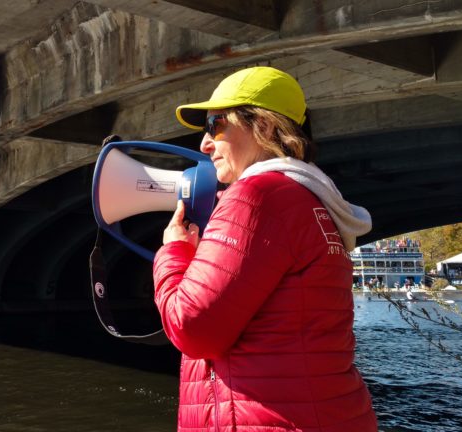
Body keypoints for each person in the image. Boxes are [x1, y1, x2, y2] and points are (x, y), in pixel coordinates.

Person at [152, 66, 378, 431]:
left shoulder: (257, 196)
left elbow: (193, 328)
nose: (204, 143)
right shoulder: (311, 200)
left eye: (216, 125)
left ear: (266, 127)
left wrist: (175, 253)